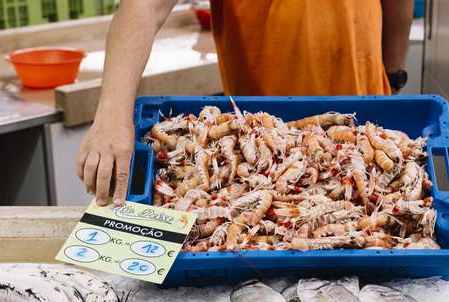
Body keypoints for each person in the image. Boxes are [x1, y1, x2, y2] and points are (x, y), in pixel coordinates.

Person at [76, 0, 413, 206]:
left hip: (365, 117)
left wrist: (393, 76)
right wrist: (112, 115)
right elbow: (144, 5)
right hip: (258, 144)